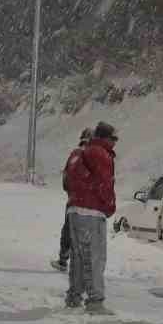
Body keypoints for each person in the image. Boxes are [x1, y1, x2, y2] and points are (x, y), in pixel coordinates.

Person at [62, 122, 118, 313]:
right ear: (105, 138)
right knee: (94, 257)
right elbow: (105, 185)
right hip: (92, 212)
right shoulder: (100, 154)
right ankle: (95, 301)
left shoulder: (77, 154)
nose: (115, 143)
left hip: (74, 210)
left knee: (78, 256)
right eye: (113, 138)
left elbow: (66, 183)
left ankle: (74, 297)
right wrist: (110, 207)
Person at [52, 129, 91, 272]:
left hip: (74, 200)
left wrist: (70, 191)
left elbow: (65, 178)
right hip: (90, 204)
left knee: (68, 230)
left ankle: (63, 260)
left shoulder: (75, 155)